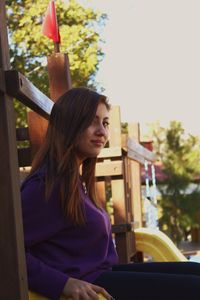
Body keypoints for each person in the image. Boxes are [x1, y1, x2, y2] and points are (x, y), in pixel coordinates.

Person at [21, 87, 200, 300]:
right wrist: (62, 283)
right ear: (69, 124)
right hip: (92, 285)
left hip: (104, 275)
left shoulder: (75, 182)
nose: (102, 132)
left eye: (105, 123)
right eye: (91, 121)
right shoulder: (46, 185)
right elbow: (8, 250)